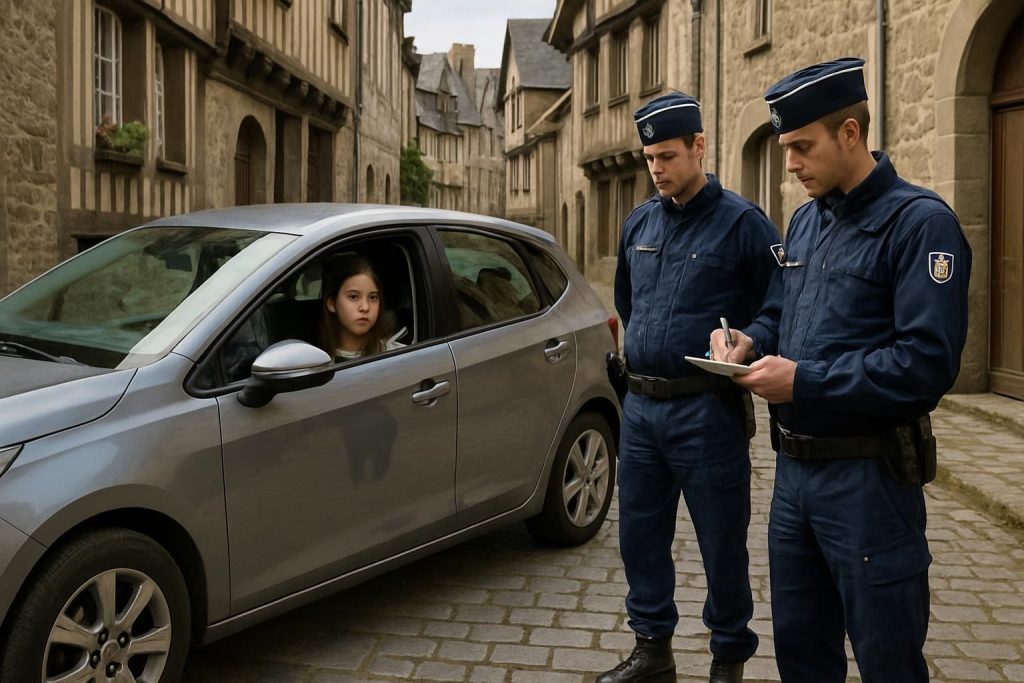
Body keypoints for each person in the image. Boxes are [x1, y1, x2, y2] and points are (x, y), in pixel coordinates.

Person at [710, 58, 972, 683]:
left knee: (888, 659)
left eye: (802, 147)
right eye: (785, 148)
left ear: (850, 134)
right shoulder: (805, 221)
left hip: (870, 482)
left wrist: (803, 382)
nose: (790, 164)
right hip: (794, 479)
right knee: (801, 653)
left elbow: (925, 364)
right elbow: (782, 312)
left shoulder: (920, 225)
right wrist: (750, 341)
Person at [598, 92, 781, 683]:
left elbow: (780, 308)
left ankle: (728, 658)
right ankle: (652, 651)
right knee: (640, 536)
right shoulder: (640, 222)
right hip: (643, 410)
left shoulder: (744, 224)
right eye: (650, 156)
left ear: (700, 146)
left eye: (669, 155)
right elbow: (627, 301)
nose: (657, 168)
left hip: (707, 413)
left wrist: (750, 339)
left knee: (721, 542)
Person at [319, 254, 404, 361]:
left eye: (373, 297)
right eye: (353, 297)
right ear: (332, 304)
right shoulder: (314, 362)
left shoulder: (400, 357)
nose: (365, 307)